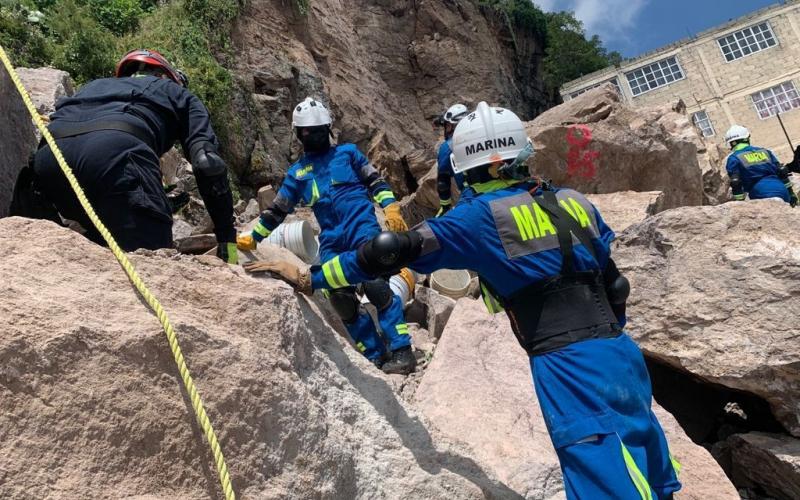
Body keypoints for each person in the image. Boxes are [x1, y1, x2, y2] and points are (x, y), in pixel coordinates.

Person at [246, 102, 683, 499]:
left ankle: (395, 347)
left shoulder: (475, 219)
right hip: (622, 355)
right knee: (646, 464)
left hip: (567, 362)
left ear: (465, 167)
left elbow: (386, 252)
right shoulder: (573, 201)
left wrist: (312, 277)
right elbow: (615, 284)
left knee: (603, 480)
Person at [237, 97, 416, 374]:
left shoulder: (349, 153)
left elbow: (376, 181)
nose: (314, 134)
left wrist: (391, 207)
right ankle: (374, 353)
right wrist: (255, 236)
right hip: (332, 240)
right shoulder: (298, 173)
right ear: (299, 134)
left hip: (362, 229)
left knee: (377, 286)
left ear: (328, 128)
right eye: (308, 131)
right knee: (340, 298)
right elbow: (277, 210)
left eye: (319, 129)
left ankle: (402, 350)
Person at [31, 49, 238, 262]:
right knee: (151, 264)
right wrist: (227, 240)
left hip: (48, 160)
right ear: (166, 76)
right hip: (116, 153)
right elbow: (207, 163)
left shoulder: (92, 86)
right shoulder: (178, 93)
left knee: (92, 240)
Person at [724, 125, 797, 206]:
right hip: (782, 191)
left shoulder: (733, 158)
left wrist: (740, 204)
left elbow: (735, 182)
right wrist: (791, 194)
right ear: (747, 138)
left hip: (761, 195)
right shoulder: (765, 151)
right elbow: (782, 171)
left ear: (731, 143)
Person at [433, 103, 470, 216]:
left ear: (454, 126)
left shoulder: (448, 147)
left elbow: (443, 181)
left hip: (470, 195)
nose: (446, 129)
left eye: (448, 126)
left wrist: (445, 206)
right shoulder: (480, 136)